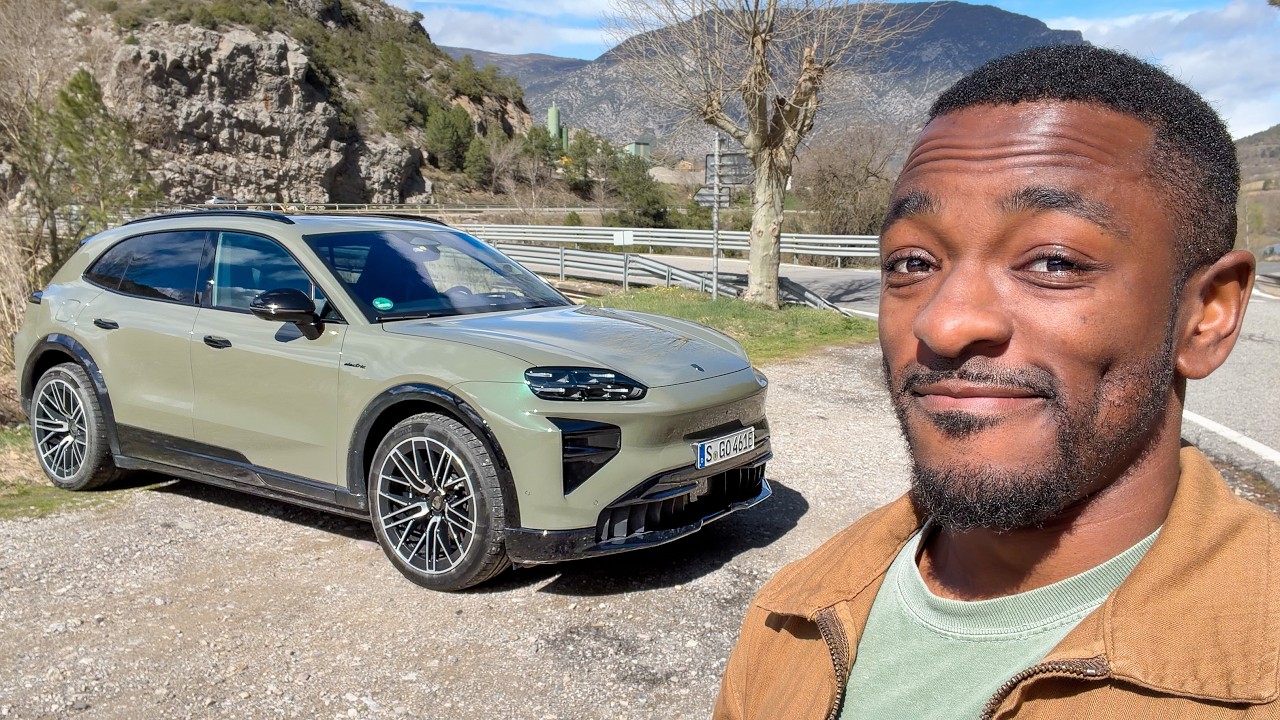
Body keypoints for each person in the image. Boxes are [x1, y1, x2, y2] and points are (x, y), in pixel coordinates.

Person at [714, 44, 1270, 719]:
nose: (945, 323)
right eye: (913, 261)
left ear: (1205, 317)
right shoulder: (790, 617)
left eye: (1056, 263)